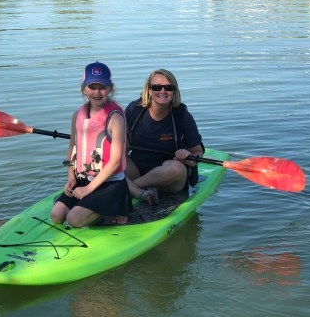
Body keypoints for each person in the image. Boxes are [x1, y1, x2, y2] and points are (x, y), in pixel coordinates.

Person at [50, 61, 132, 227]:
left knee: (74, 219)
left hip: (110, 184)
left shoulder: (115, 118)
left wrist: (88, 189)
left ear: (110, 89)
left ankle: (117, 208)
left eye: (102, 87)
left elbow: (115, 161)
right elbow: (72, 148)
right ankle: (88, 206)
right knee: (56, 215)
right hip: (83, 178)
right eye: (92, 87)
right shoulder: (77, 115)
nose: (97, 92)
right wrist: (71, 176)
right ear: (84, 89)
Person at [124, 69, 204, 205]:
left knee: (176, 168)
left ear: (174, 91)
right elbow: (118, 144)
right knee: (108, 156)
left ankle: (129, 188)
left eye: (168, 87)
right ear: (149, 90)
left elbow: (198, 152)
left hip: (169, 179)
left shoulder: (182, 116)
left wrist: (188, 158)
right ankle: (140, 191)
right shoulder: (134, 110)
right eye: (156, 87)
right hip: (137, 171)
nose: (163, 91)